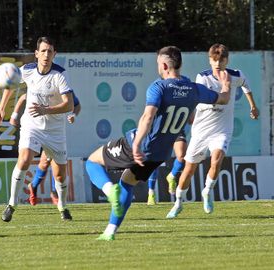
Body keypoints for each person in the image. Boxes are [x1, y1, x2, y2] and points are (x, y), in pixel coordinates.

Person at [85, 46, 232, 241]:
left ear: (163, 65)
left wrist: (136, 144)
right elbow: (223, 99)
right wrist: (226, 85)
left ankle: (110, 192)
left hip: (141, 146)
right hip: (160, 154)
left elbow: (148, 116)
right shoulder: (193, 89)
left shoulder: (159, 86)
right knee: (127, 184)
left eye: (157, 64)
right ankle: (110, 232)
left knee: (92, 162)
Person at [166, 43, 259, 218]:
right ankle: (178, 203)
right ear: (209, 60)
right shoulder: (203, 77)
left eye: (221, 60)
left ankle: (207, 191)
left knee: (216, 160)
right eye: (214, 60)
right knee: (189, 169)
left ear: (227, 60)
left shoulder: (236, 75)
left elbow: (246, 85)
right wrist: (225, 88)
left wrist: (253, 106)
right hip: (201, 130)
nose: (217, 63)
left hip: (222, 129)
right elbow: (211, 99)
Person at [0, 36, 75, 222]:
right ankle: (11, 205)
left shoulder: (60, 74)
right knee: (24, 159)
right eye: (43, 51)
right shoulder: (27, 70)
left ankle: (62, 206)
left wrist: (45, 110)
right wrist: (1, 108)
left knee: (60, 173)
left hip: (55, 130)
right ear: (36, 54)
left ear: (55, 54)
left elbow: (69, 105)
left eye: (50, 51)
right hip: (32, 126)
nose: (46, 54)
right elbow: (11, 85)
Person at [9, 92, 81, 206]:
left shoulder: (64, 87)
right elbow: (23, 97)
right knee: (45, 162)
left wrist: (73, 115)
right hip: (36, 129)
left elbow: (77, 105)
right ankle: (43, 190)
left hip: (53, 132)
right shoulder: (41, 85)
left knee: (51, 162)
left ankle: (43, 189)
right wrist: (14, 115)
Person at [146, 131, 187, 205]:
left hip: (176, 130)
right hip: (160, 132)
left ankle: (172, 176)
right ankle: (151, 192)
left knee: (181, 156)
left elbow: (190, 120)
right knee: (155, 160)